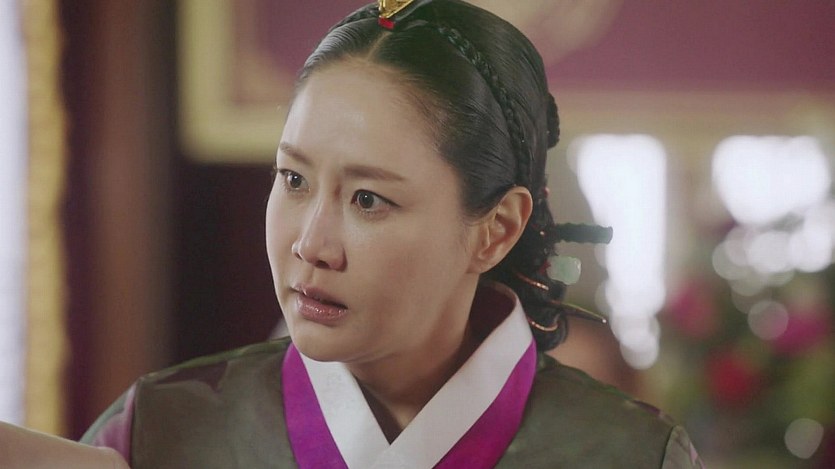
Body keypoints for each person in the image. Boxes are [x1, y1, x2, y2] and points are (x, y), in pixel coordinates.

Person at [82, 1, 703, 467]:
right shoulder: (158, 432)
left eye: (368, 199)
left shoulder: (631, 456)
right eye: (293, 180)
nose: (311, 245)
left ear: (496, 229)